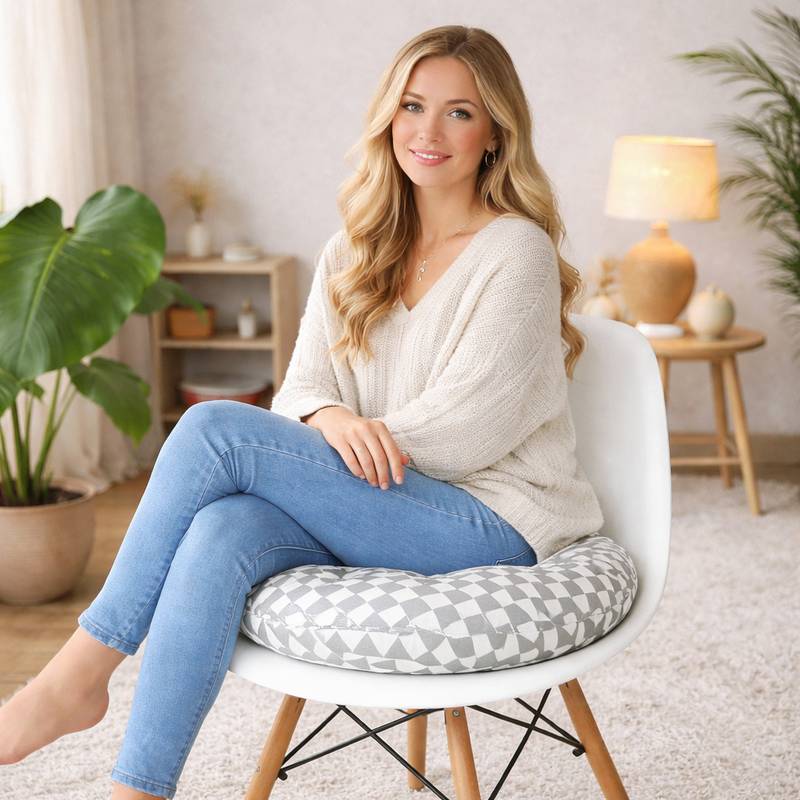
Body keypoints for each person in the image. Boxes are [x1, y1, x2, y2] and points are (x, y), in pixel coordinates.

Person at [0, 24, 604, 799]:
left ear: (494, 134)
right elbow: (303, 393)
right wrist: (331, 423)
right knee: (222, 529)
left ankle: (76, 676)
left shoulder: (514, 251)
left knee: (213, 429)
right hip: (379, 501)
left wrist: (332, 445)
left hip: (493, 521)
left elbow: (467, 431)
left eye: (459, 112)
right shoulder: (352, 250)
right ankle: (137, 791)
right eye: (412, 106)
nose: (427, 131)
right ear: (388, 116)